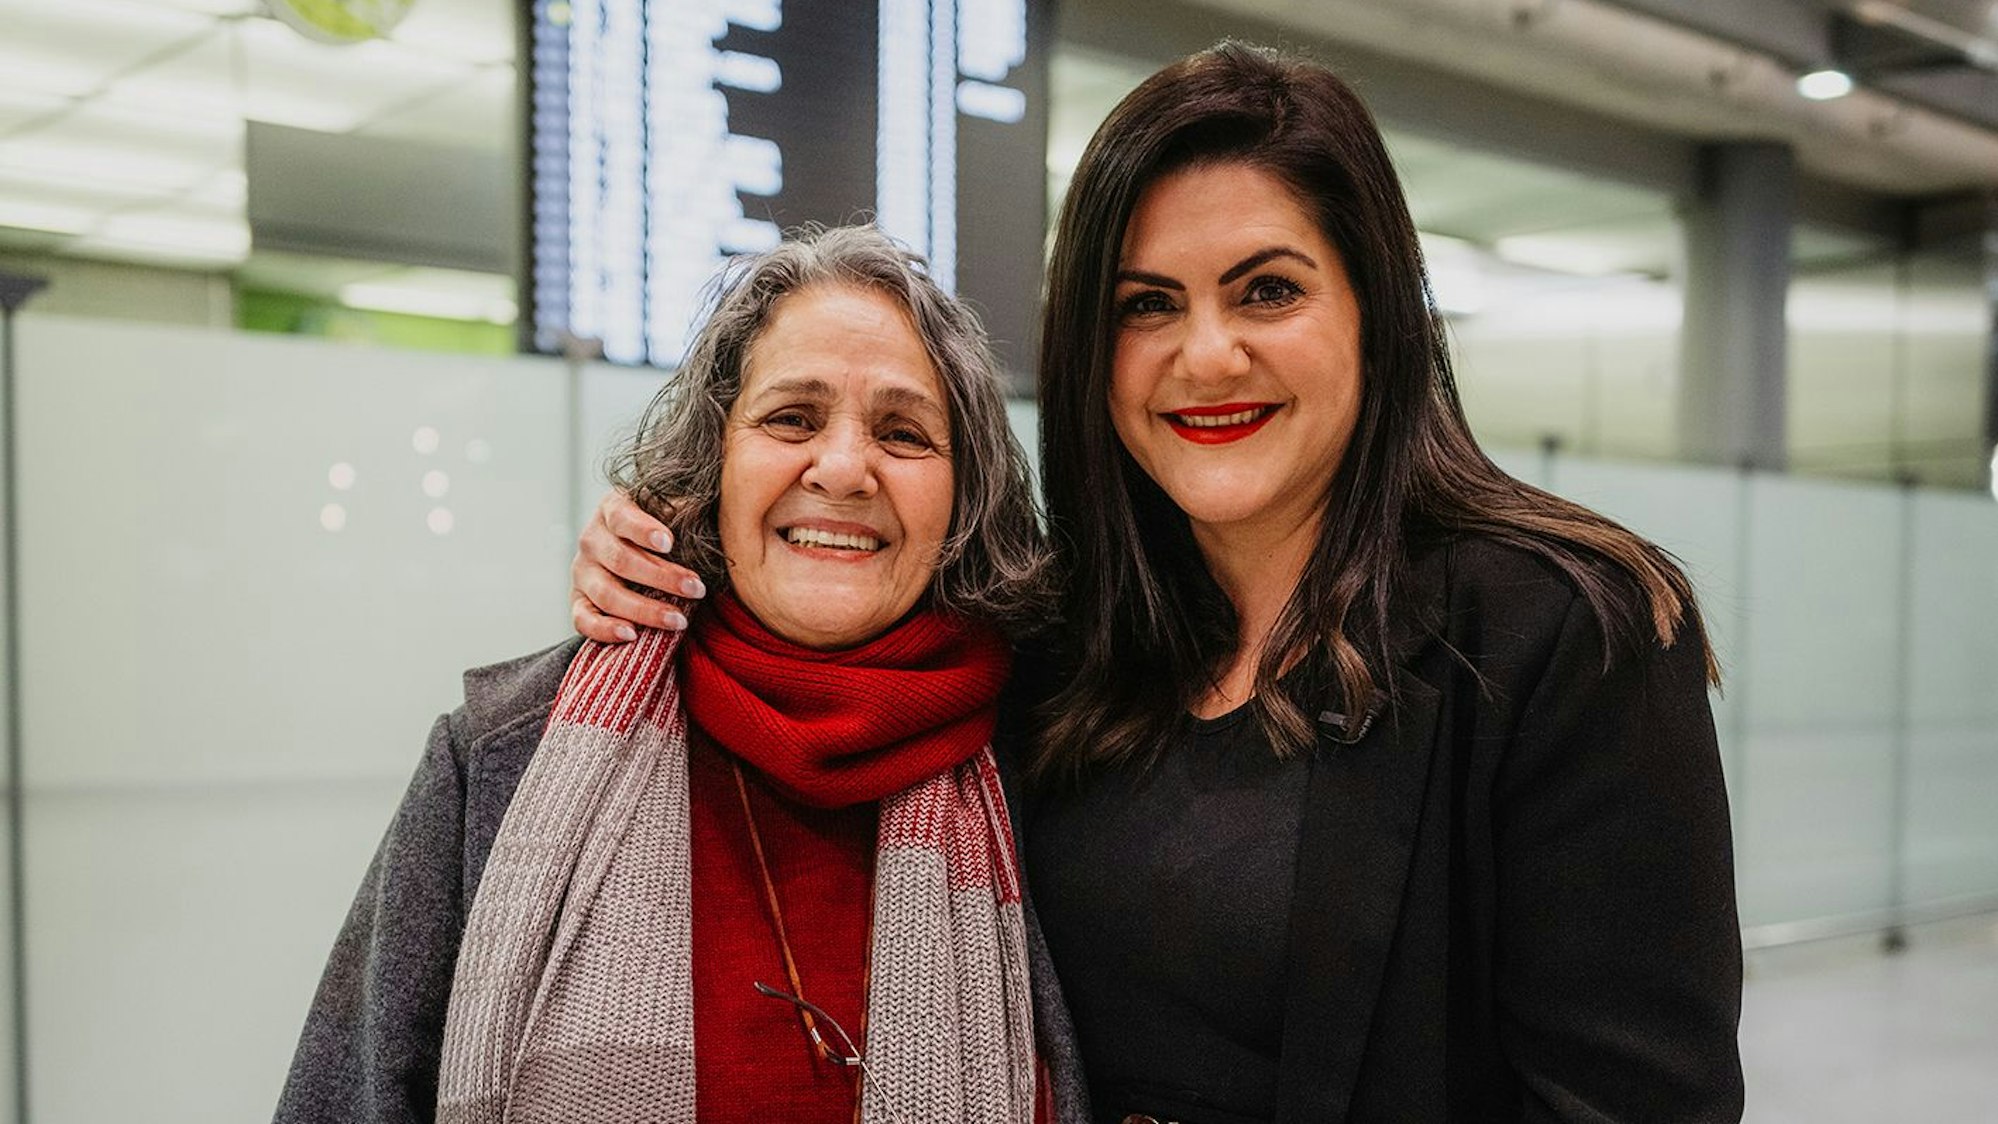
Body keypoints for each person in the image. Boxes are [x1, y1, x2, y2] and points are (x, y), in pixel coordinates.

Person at [568, 43, 1744, 1124]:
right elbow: (832, 604)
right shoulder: (1060, 638)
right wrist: (664, 558)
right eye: (1148, 305)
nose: (1207, 355)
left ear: (1376, 313)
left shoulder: (1564, 631)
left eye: (1267, 289)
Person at [275, 225, 1091, 1124]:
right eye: (791, 418)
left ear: (966, 492)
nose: (843, 470)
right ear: (714, 459)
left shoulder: (1057, 750)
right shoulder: (502, 757)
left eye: (904, 434)